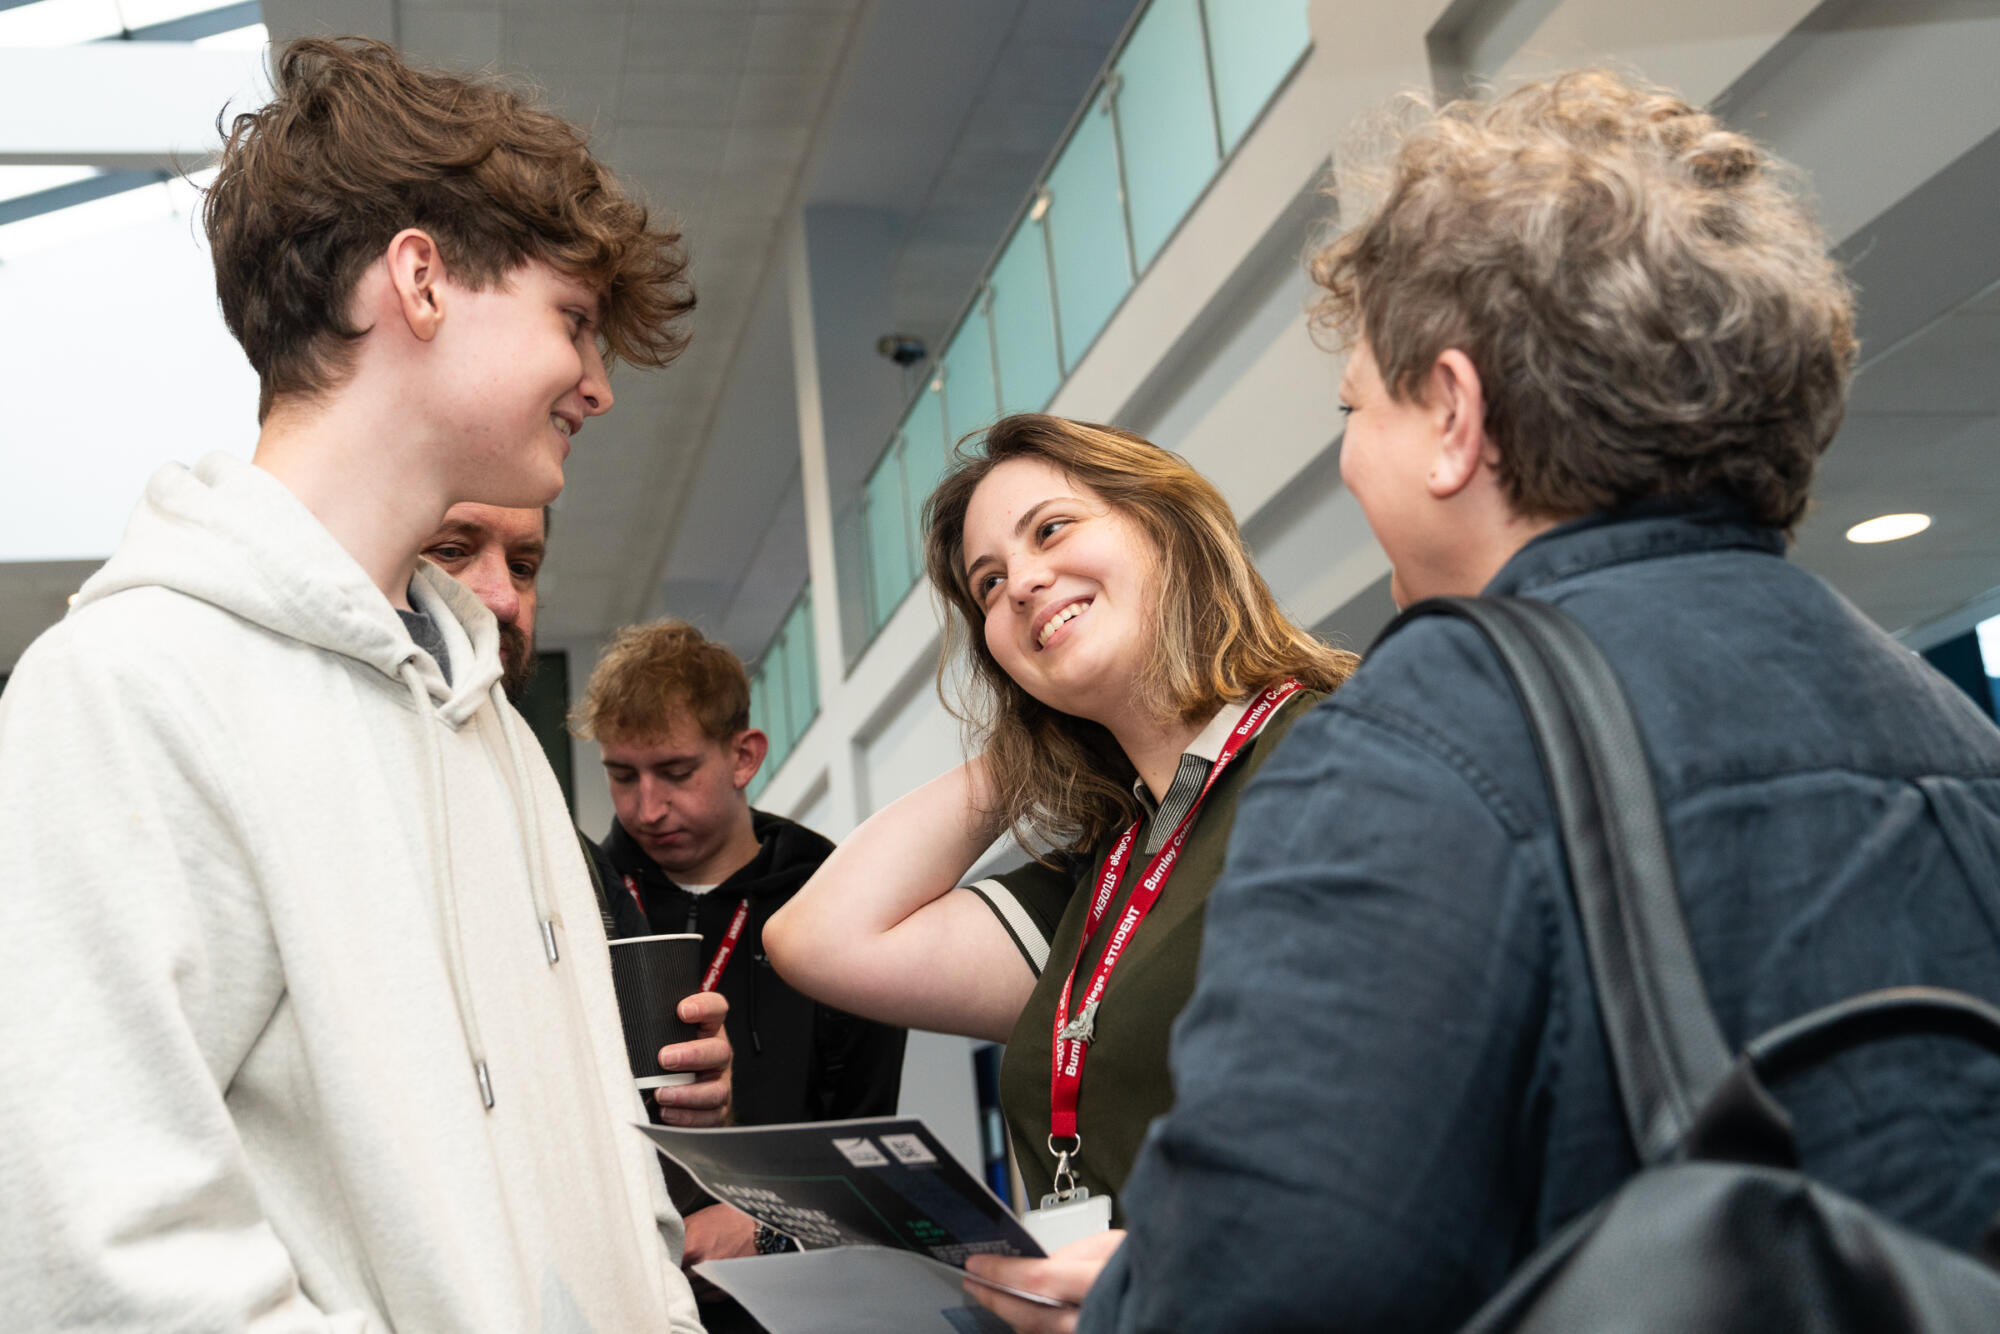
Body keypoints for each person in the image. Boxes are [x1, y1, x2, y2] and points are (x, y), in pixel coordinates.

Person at [965, 69, 2000, 1333]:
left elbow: (1270, 1277)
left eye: (1356, 406)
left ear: (1452, 415)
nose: (1346, 456)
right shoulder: (1941, 723)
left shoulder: (1427, 730)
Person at [0, 37, 716, 1331]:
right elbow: (93, 1253)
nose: (599, 384)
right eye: (572, 321)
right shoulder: (125, 691)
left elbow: (599, 1187)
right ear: (422, 280)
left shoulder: (481, 718)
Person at [765, 413, 1358, 1222]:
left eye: (1051, 530)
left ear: (1166, 526)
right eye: (988, 587)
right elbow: (818, 939)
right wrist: (1030, 730)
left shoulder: (1342, 751)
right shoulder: (1107, 875)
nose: (1022, 584)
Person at [575, 619, 909, 1325]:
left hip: (798, 1304)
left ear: (743, 756)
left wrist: (764, 1226)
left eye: (675, 772)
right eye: (621, 775)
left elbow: (862, 1139)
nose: (646, 808)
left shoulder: (835, 900)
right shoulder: (577, 897)